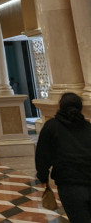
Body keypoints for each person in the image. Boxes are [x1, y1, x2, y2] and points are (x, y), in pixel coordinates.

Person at [36, 92, 91, 222]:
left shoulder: (51, 127)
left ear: (60, 106)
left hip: (69, 184)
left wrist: (43, 177)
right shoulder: (88, 127)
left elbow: (42, 155)